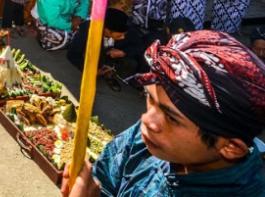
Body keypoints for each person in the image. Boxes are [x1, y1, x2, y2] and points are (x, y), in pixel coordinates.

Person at [63, 31, 265, 197]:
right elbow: (106, 179)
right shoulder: (144, 142)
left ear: (230, 147)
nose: (147, 120)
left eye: (171, 118)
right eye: (150, 99)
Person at [66, 8, 145, 91]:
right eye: (119, 35)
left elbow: (139, 46)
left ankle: (110, 72)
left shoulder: (126, 28)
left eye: (124, 35)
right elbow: (72, 54)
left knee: (132, 63)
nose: (123, 37)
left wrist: (123, 52)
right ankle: (100, 71)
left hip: (113, 57)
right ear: (107, 30)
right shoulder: (87, 30)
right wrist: (91, 71)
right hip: (94, 56)